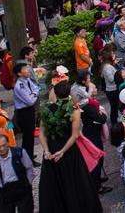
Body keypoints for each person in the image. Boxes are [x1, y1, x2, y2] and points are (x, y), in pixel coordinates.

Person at [37, 81, 103, 212]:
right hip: (68, 151)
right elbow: (75, 135)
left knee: (53, 187)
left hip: (51, 150)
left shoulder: (45, 110)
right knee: (76, 184)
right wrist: (62, 151)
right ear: (69, 94)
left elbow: (42, 133)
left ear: (54, 94)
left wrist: (46, 150)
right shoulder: (73, 110)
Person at [0, 134, 35, 213]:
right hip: (4, 191)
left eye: (4, 145)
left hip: (21, 187)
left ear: (8, 143)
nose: (2, 149)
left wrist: (28, 183)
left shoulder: (20, 152)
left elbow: (29, 168)